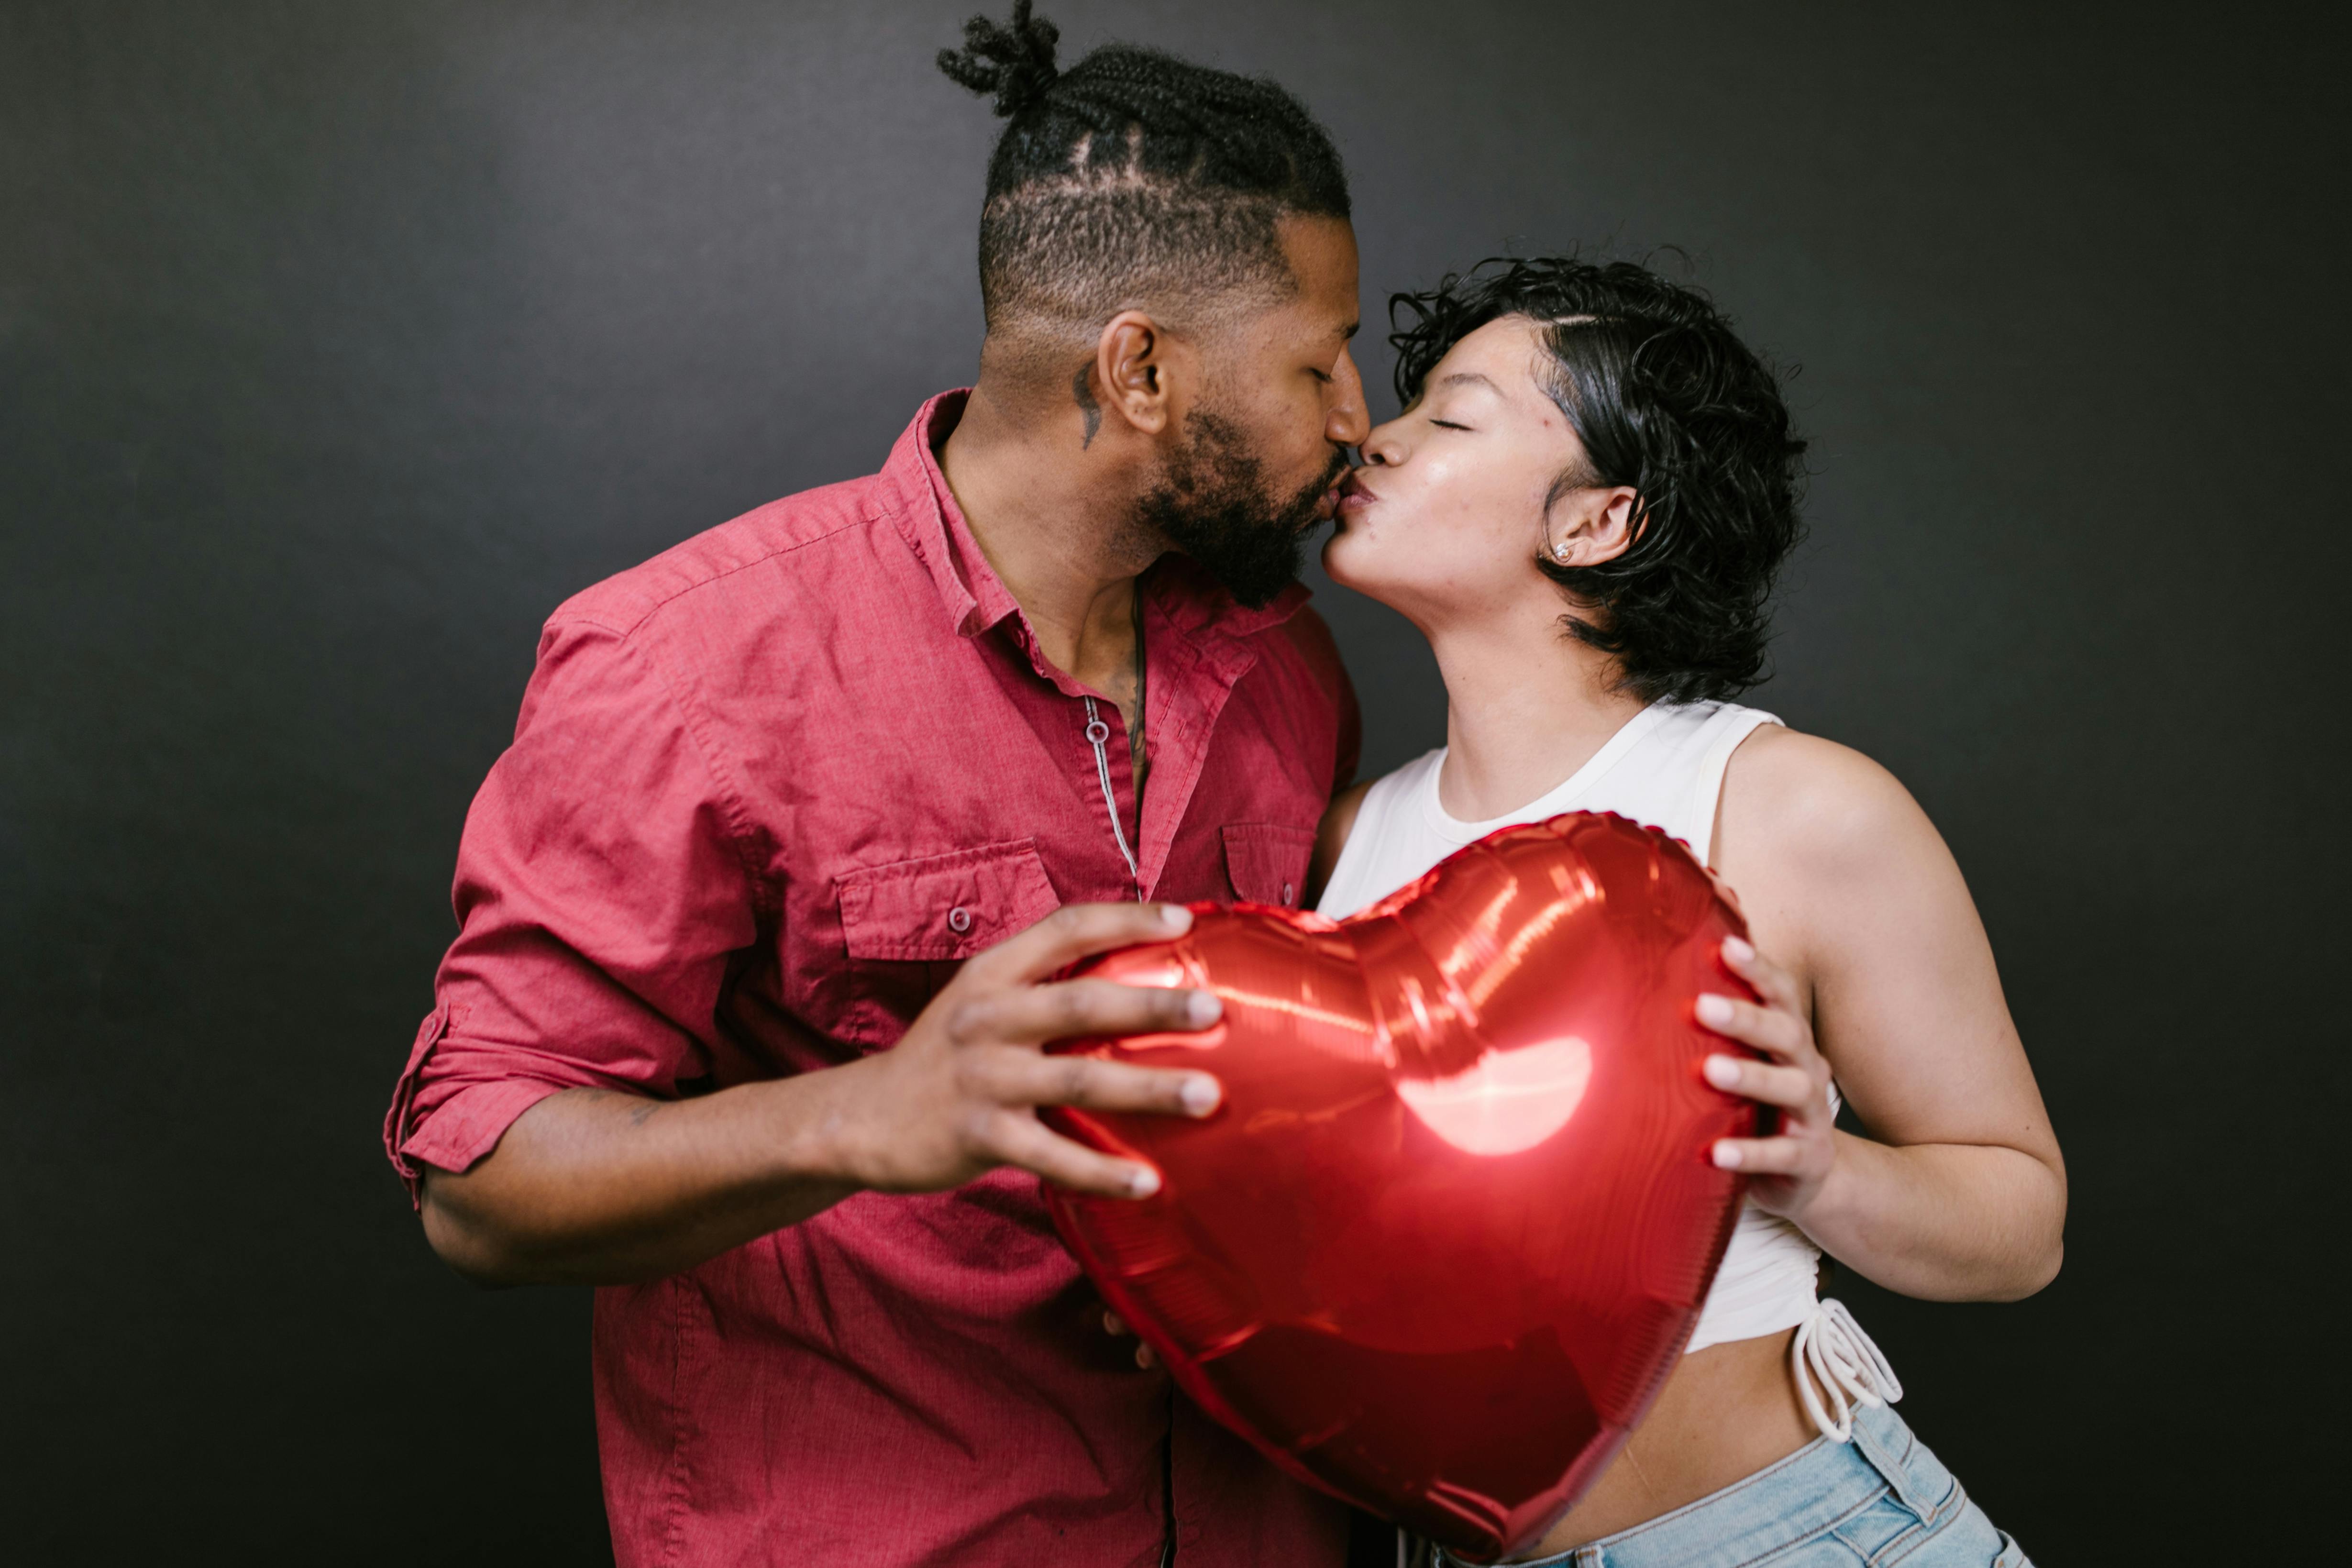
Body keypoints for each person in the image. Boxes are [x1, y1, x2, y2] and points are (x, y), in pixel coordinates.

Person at [382, 6, 1375, 1563]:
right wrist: (872, 1113)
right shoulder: (685, 661)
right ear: (1142, 369)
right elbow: (481, 1186)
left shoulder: (1289, 665)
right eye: (1320, 363)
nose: (1354, 419)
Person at [1306, 257, 2065, 1567]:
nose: (1378, 433)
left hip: (1793, 1540)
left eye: (1453, 415)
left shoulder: (1790, 807)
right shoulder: (1345, 839)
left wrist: (1819, 1171)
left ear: (1596, 523)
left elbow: (2022, 1226)